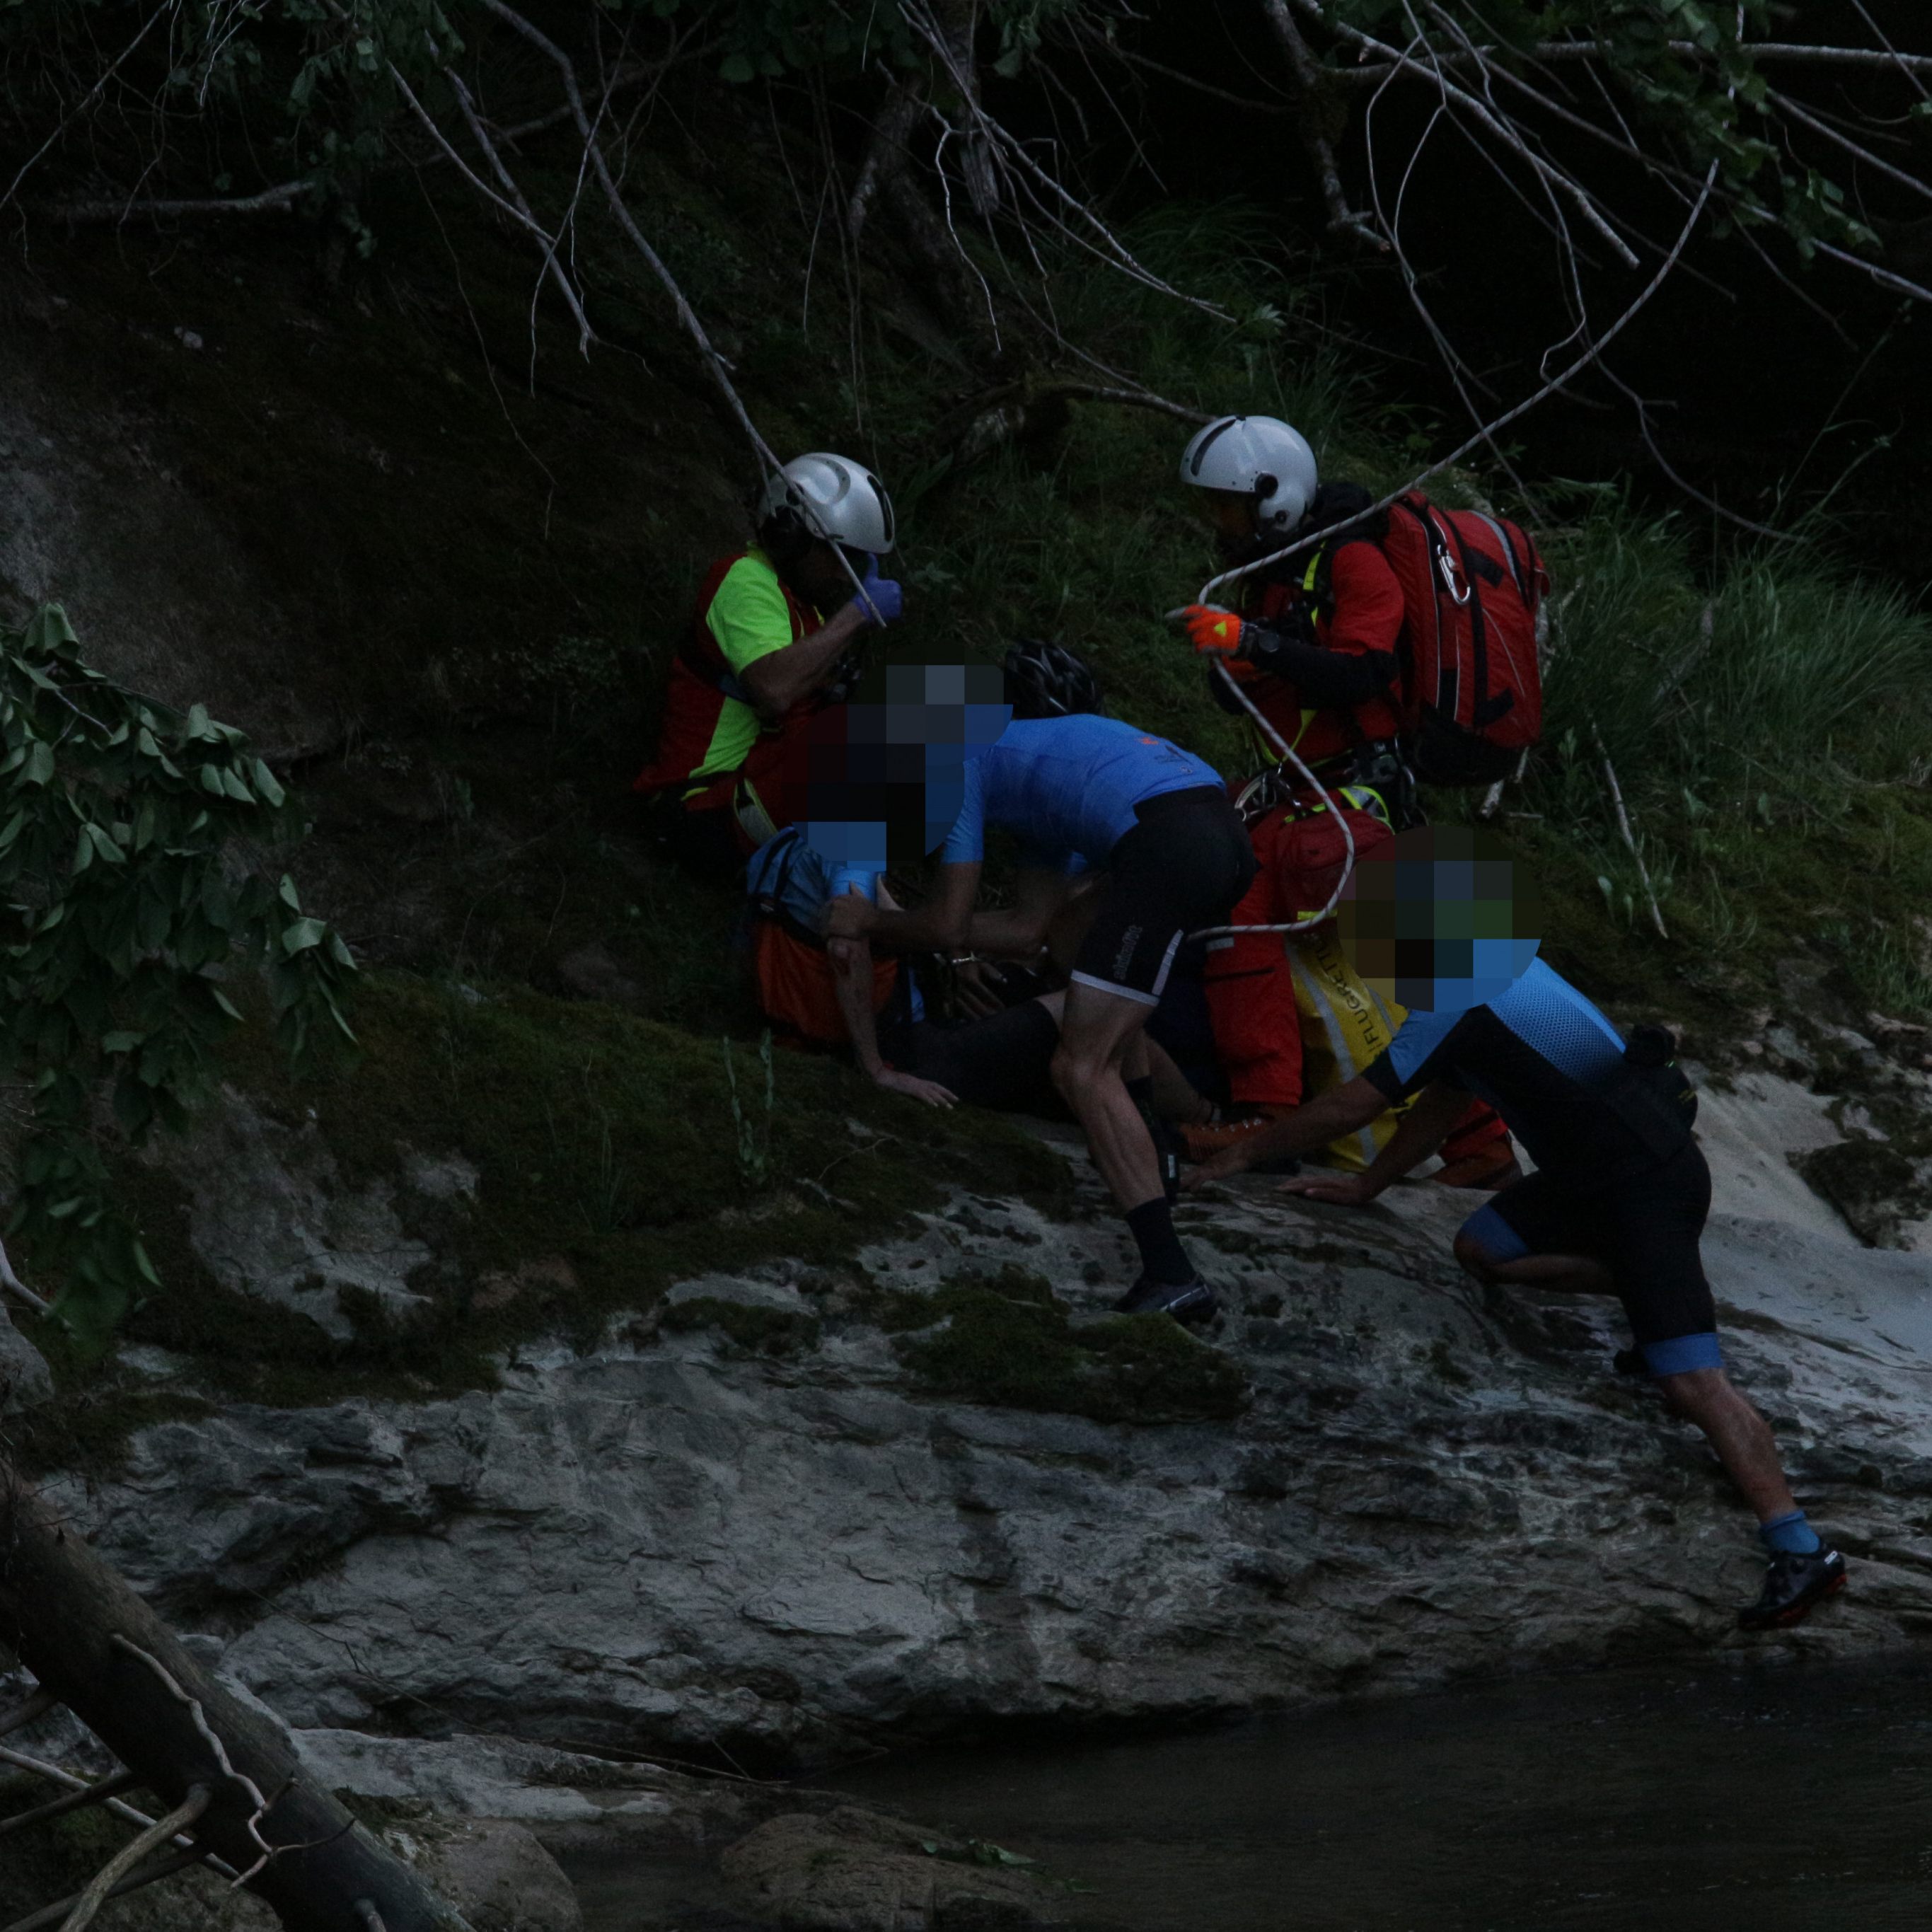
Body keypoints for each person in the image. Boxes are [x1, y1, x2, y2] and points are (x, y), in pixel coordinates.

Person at [1186, 833, 1847, 1632]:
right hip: (1597, 1181)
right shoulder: (1497, 975)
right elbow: (1443, 1099)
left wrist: (1244, 1151)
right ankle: (1648, 1295)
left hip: (1645, 1188)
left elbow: (1350, 1106)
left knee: (1691, 1385)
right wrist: (1368, 1184)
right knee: (1484, 1250)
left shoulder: (1458, 997)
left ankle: (1800, 1547)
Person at [823, 641, 1256, 1323]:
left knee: (1079, 1066)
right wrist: (911, 923)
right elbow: (1032, 930)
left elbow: (946, 924)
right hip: (1217, 830)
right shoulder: (1036, 777)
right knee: (1093, 964)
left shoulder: (960, 756)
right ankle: (1157, 1153)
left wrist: (871, 919)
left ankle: (1170, 1274)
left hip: (1168, 841)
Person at [1165, 414, 1515, 1185]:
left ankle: (1480, 1143)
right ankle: (1264, 1111)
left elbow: (1361, 671)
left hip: (1356, 795)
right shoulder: (1271, 574)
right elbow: (1250, 696)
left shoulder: (1352, 561)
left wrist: (1253, 643)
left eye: (1227, 507)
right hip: (1298, 795)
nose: (1219, 525)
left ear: (1274, 497)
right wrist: (1236, 652)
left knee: (1419, 966)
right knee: (1239, 915)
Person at [634, 453, 903, 873]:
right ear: (793, 535)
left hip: (748, 792)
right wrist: (857, 614)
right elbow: (774, 690)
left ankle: (873, 908)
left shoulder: (807, 615)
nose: (842, 574)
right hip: (699, 803)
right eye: (840, 556)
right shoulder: (743, 580)